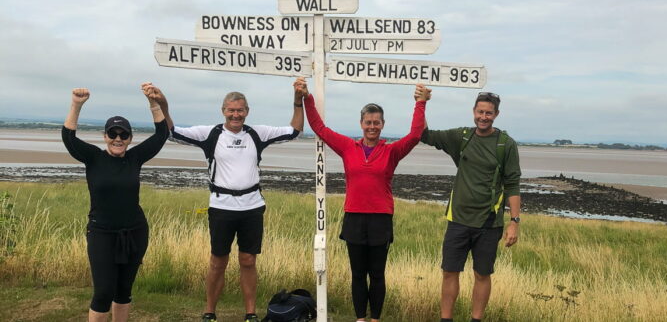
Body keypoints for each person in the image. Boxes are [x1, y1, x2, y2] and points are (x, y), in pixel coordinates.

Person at [150, 81, 304, 322]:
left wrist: (297, 101)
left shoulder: (256, 133)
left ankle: (250, 313)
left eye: (240, 110)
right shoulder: (210, 134)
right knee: (217, 262)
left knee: (248, 260)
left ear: (247, 111)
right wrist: (164, 105)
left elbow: (295, 130)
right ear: (223, 111)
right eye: (231, 110)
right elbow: (173, 132)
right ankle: (209, 311)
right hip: (221, 206)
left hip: (252, 206)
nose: (235, 115)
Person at [296, 78, 431, 322]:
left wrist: (420, 103)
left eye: (376, 123)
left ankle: (375, 318)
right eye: (368, 122)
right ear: (361, 124)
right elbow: (319, 128)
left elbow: (414, 135)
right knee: (358, 274)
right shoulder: (348, 147)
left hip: (380, 218)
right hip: (354, 217)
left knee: (377, 274)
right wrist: (307, 97)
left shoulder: (391, 151)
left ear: (382, 125)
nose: (372, 126)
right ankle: (360, 318)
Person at [61, 83, 168, 322]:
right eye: (113, 134)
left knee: (123, 291)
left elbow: (162, 135)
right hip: (101, 233)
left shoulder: (135, 158)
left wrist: (153, 103)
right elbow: (68, 138)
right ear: (105, 136)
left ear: (130, 138)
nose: (118, 139)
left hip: (135, 232)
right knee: (103, 292)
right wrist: (76, 105)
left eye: (123, 135)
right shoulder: (93, 157)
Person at [420, 92, 521, 322]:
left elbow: (513, 185)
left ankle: (477, 319)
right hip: (458, 220)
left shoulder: (506, 145)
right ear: (473, 111)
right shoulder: (461, 137)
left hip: (489, 222)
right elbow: (424, 134)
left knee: (482, 274)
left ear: (496, 114)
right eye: (480, 112)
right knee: (449, 272)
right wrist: (420, 103)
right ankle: (446, 319)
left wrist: (514, 223)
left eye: (488, 113)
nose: (483, 117)